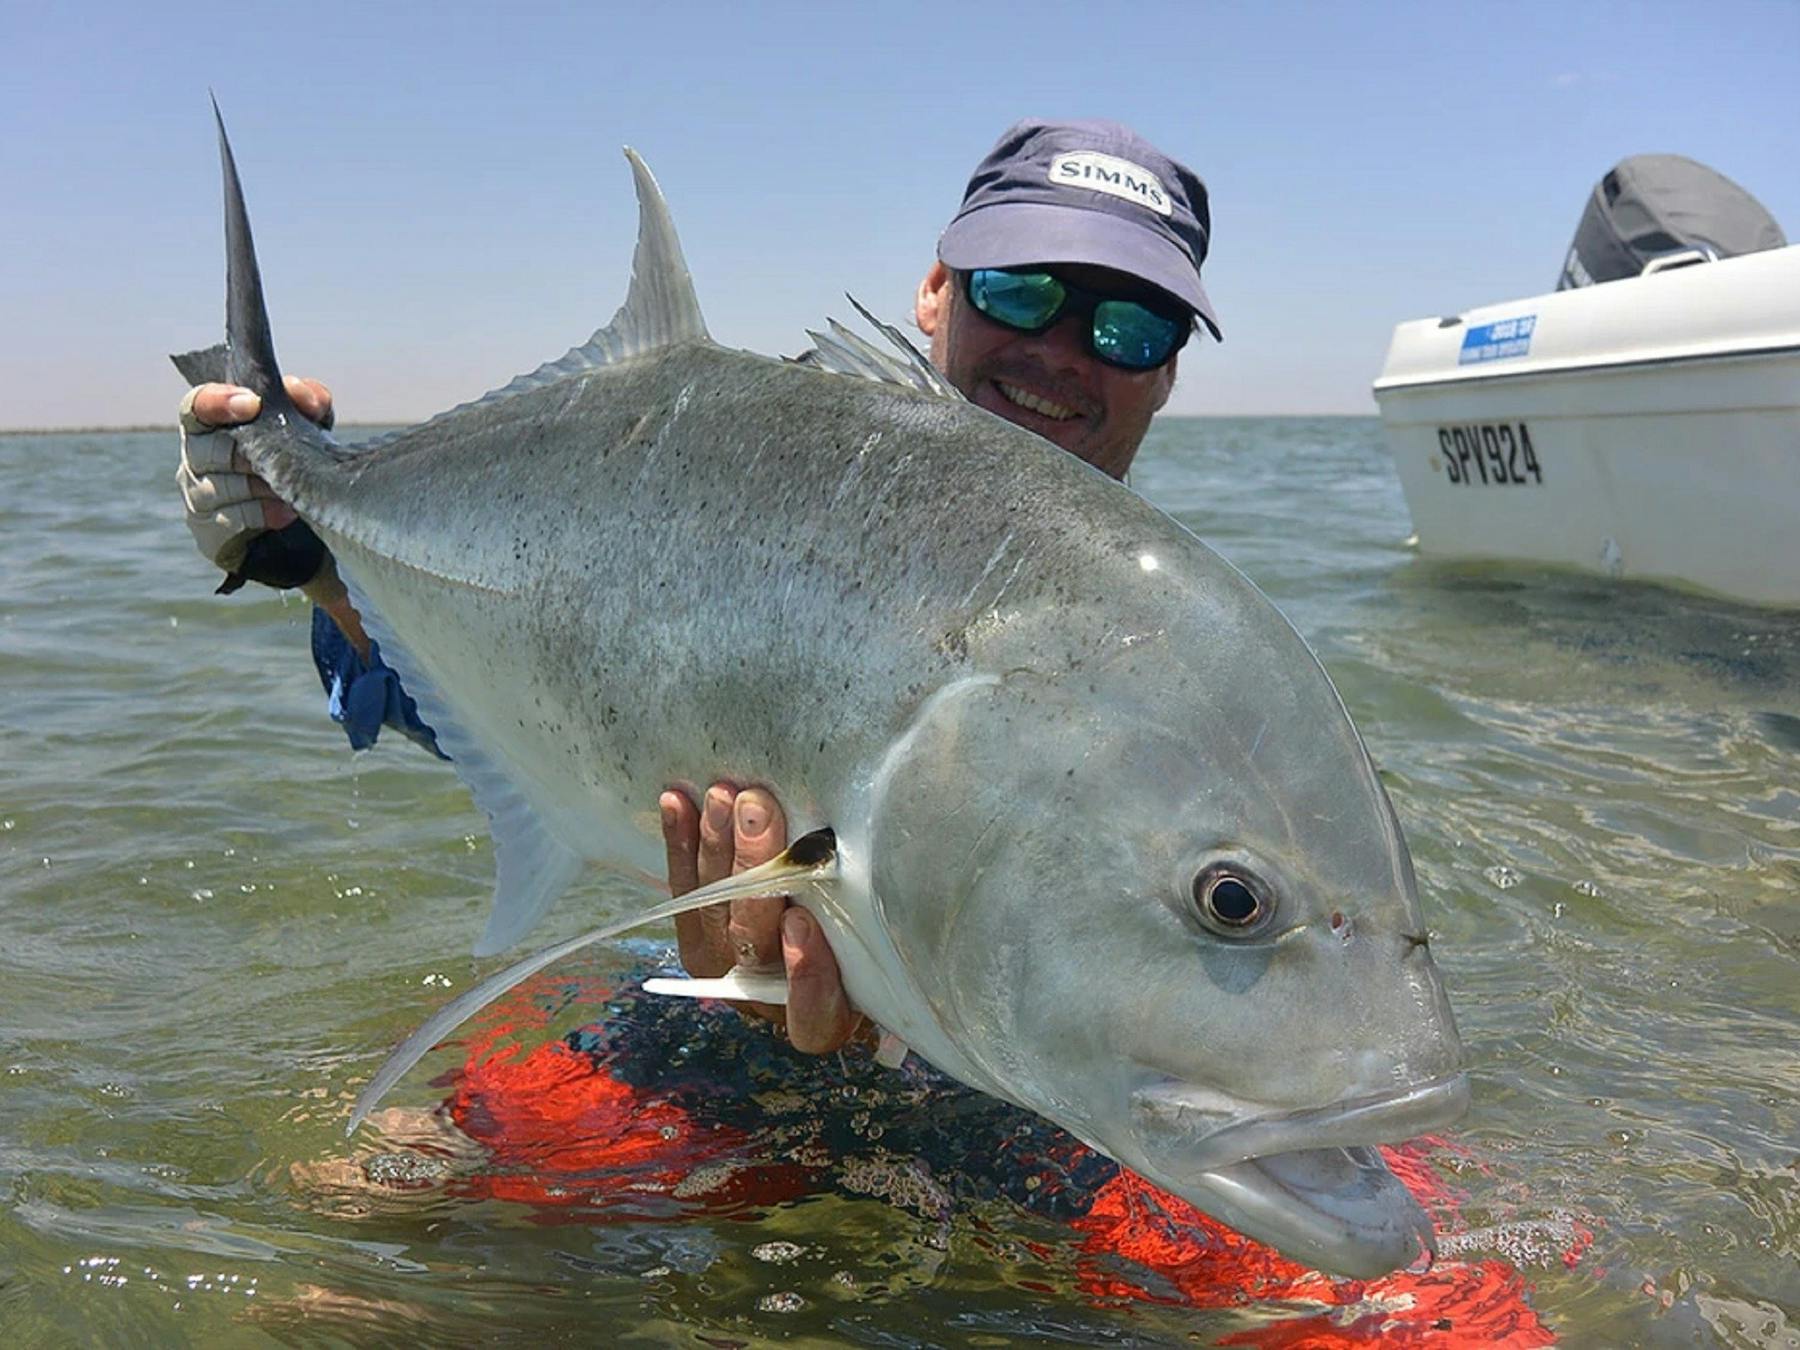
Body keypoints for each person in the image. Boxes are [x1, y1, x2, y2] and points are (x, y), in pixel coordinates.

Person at [175, 118, 1223, 1053]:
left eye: (1131, 327)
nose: (1060, 350)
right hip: (699, 1028)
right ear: (936, 292)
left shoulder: (1197, 673)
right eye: (1018, 290)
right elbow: (546, 698)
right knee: (364, 1211)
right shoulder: (727, 475)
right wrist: (310, 553)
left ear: (1169, 371)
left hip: (1017, 1100)